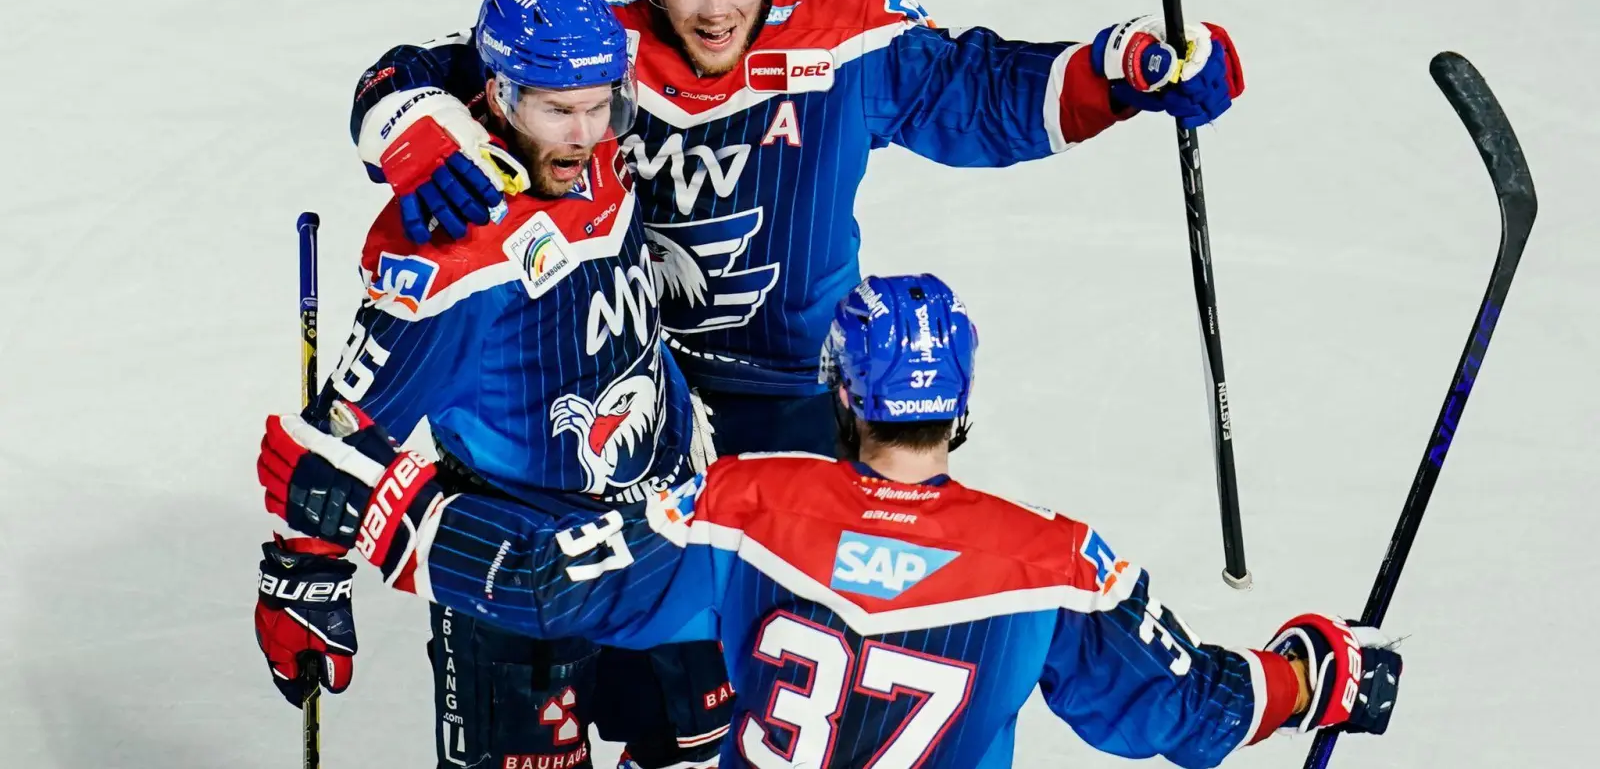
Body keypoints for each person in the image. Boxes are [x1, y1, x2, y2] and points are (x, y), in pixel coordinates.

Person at [257, 274, 1404, 769]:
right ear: (960, 407)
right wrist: (1311, 674)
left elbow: (556, 585)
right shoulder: (1054, 563)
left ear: (844, 394)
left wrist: (376, 518)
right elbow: (1182, 716)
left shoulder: (746, 505)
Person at [348, 0, 1247, 462]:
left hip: (793, 390)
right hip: (616, 373)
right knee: (619, 653)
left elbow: (975, 95)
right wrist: (414, 126)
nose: (714, 9)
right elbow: (425, 70)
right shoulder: (583, 8)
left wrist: (1121, 71)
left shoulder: (846, 27)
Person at [252, 0, 733, 769]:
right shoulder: (449, 247)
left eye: (599, 105)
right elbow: (345, 435)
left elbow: (422, 66)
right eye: (558, 111)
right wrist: (304, 577)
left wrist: (400, 106)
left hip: (668, 536)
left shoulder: (593, 139)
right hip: (519, 574)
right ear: (501, 97)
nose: (584, 136)